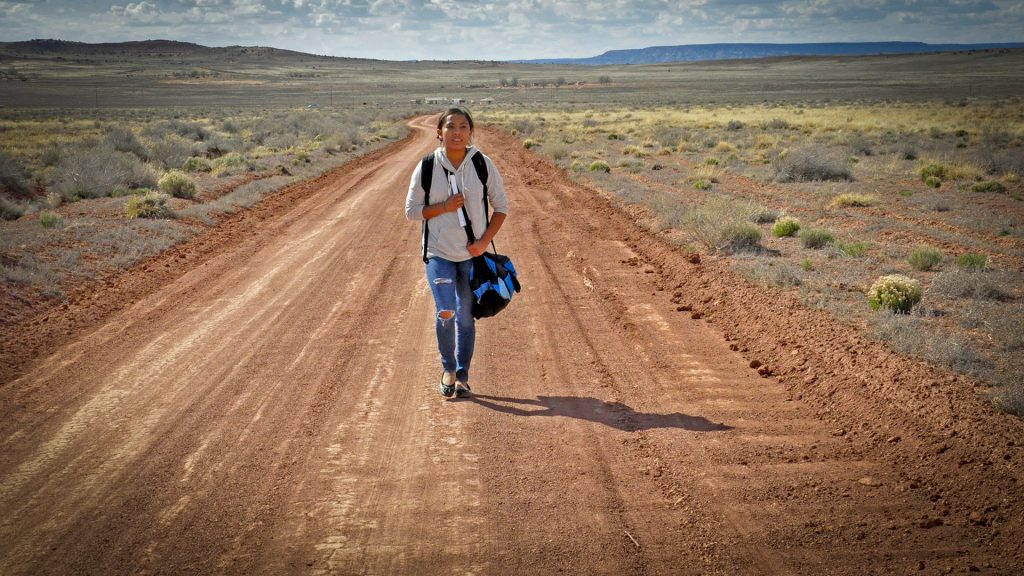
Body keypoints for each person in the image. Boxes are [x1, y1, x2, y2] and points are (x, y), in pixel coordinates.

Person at [405, 108, 509, 398]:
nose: (457, 132)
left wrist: (483, 243)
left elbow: (501, 207)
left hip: (471, 255)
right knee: (447, 312)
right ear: (439, 133)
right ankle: (448, 368)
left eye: (463, 126)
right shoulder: (426, 166)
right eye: (451, 126)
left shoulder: (482, 164)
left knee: (465, 317)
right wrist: (445, 207)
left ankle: (463, 375)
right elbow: (411, 212)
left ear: (470, 132)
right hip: (438, 253)